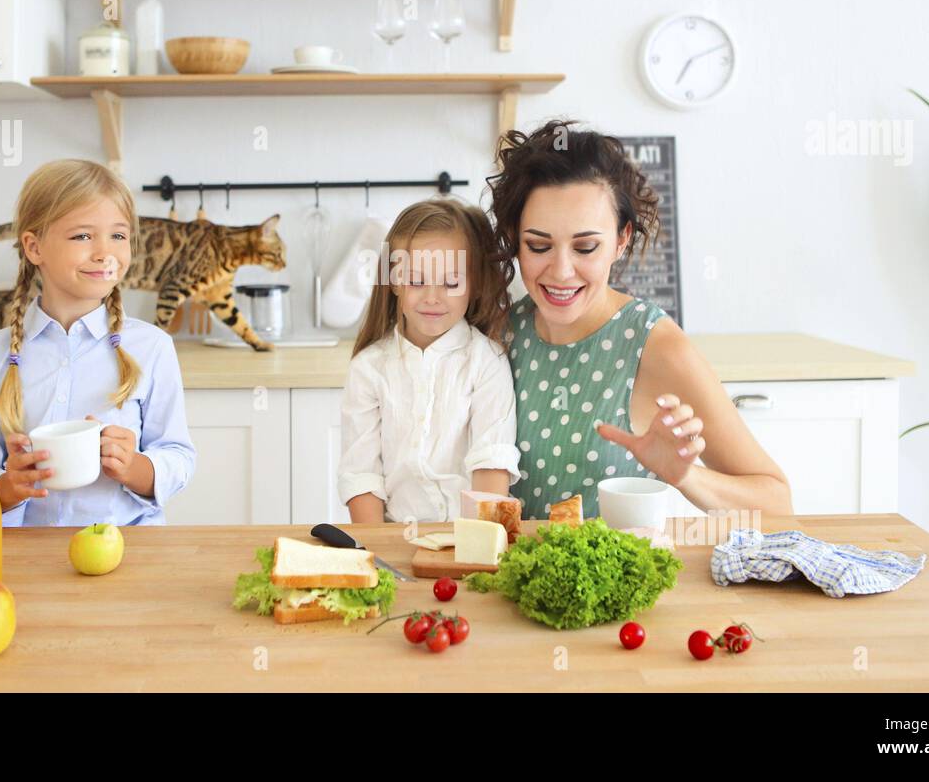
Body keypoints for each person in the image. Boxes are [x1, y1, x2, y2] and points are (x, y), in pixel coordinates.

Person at [486, 120, 792, 519]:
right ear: (515, 238)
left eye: (586, 247)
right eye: (539, 245)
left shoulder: (654, 346)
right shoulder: (501, 332)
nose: (561, 271)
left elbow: (777, 502)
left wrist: (686, 477)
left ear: (621, 239)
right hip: (502, 579)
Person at [0, 159, 195, 525]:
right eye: (82, 236)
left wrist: (134, 467)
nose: (104, 252)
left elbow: (178, 456)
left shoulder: (153, 347)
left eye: (118, 235)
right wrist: (9, 487)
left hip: (128, 553)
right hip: (25, 561)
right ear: (34, 248)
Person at [338, 198, 520, 524]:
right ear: (394, 281)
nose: (433, 297)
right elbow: (361, 474)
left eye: (451, 283)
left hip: (469, 536)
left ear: (473, 284)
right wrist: (376, 552)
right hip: (392, 538)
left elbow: (491, 461)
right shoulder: (368, 368)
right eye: (417, 281)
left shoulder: (487, 362)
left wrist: (475, 549)